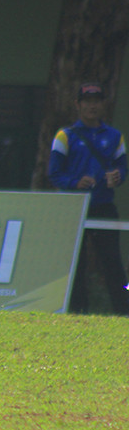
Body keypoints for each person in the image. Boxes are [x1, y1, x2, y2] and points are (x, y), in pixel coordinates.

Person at [48, 81, 129, 316]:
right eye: (87, 102)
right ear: (78, 105)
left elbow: (122, 168)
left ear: (103, 105)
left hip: (103, 206)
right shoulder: (64, 136)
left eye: (96, 102)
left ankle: (123, 310)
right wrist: (75, 182)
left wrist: (117, 176)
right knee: (76, 262)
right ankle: (77, 310)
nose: (92, 106)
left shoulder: (115, 136)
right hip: (73, 208)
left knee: (113, 261)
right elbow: (54, 173)